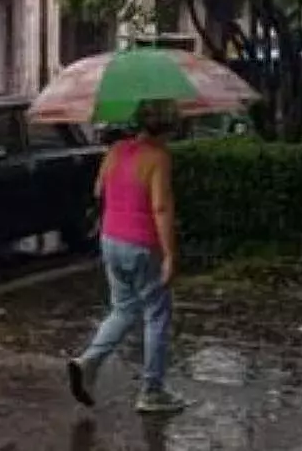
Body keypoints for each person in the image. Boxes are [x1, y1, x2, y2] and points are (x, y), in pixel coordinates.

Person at [66, 99, 185, 414]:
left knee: (123, 309)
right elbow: (160, 207)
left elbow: (97, 190)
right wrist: (170, 254)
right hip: (143, 244)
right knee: (157, 314)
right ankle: (152, 391)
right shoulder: (158, 158)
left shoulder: (116, 150)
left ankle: (88, 362)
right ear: (168, 127)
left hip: (111, 239)